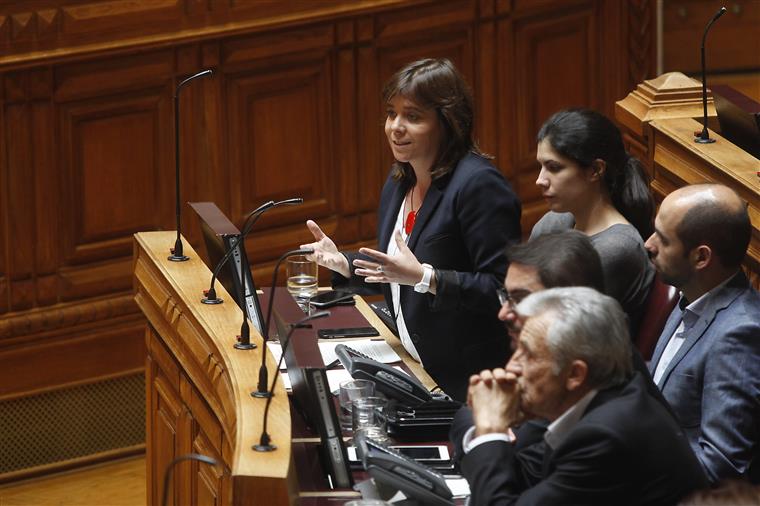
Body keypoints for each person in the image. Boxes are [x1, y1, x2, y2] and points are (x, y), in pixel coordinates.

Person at [301, 58, 522, 401]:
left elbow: (503, 291)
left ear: (447, 123)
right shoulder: (398, 181)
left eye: (413, 117)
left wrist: (427, 278)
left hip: (468, 385)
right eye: (391, 114)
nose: (395, 127)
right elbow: (399, 270)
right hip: (416, 367)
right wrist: (344, 264)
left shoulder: (479, 185)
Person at [459, 287, 707, 505]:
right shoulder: (596, 400)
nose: (512, 367)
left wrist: (490, 430)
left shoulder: (607, 434)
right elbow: (526, 482)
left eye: (528, 354)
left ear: (575, 374)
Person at [644, 183, 760, 485]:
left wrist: (630, 459)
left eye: (663, 240)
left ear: (700, 258)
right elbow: (661, 380)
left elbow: (719, 467)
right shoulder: (692, 292)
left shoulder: (738, 335)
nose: (648, 244)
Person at [529, 108, 654, 333]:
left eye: (554, 168)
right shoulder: (552, 222)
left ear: (595, 170)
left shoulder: (617, 248)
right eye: (541, 165)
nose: (540, 180)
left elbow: (558, 329)